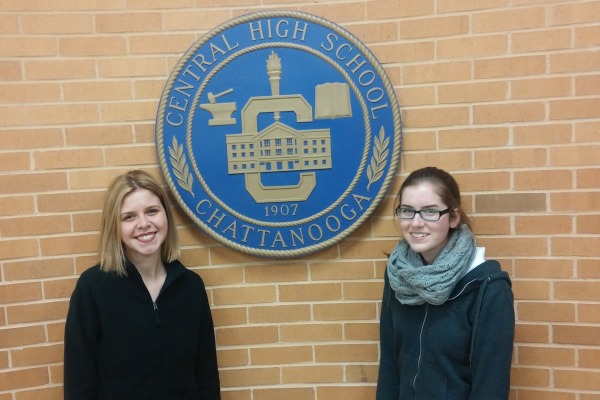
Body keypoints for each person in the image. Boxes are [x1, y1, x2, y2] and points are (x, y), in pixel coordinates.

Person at [64, 170, 221, 400]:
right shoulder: (93, 289)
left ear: (165, 216)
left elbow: (206, 377)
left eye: (152, 211)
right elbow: (79, 384)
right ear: (114, 226)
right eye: (129, 217)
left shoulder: (191, 288)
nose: (144, 224)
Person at [376, 166, 514, 400]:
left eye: (430, 212)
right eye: (407, 211)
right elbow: (389, 364)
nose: (416, 223)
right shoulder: (397, 275)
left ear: (453, 217)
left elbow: (491, 386)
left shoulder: (487, 287)